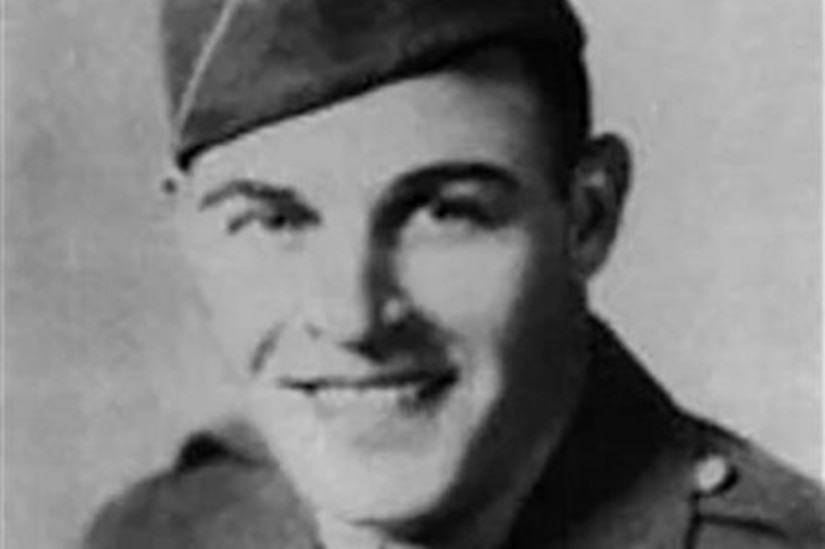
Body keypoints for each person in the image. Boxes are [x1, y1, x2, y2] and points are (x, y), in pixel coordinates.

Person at [82, 0, 825, 548]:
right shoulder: (162, 532)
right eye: (274, 222)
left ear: (587, 217)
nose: (352, 316)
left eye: (443, 213)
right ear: (188, 231)